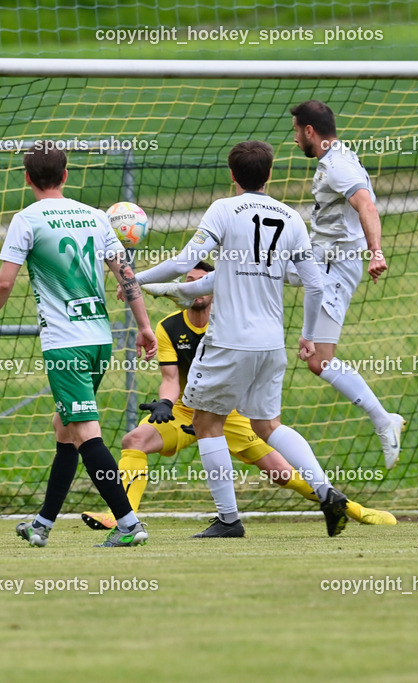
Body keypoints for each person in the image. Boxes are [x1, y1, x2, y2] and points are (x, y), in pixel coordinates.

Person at [133, 140, 353, 537]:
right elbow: (315, 285)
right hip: (271, 345)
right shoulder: (291, 217)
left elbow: (186, 262)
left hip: (229, 342)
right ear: (269, 175)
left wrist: (135, 278)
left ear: (232, 175)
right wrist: (308, 336)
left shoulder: (223, 209)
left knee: (205, 422)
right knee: (267, 424)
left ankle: (229, 520)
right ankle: (326, 491)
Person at [80, 262, 397, 535]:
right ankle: (122, 517)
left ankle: (354, 510)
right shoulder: (168, 327)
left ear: (214, 288)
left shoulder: (231, 323)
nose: (194, 288)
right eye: (188, 282)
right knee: (134, 440)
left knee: (281, 473)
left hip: (229, 413)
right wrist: (165, 403)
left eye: (200, 281)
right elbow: (170, 379)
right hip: (185, 411)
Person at [0, 141, 157, 548]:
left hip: (66, 345)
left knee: (85, 432)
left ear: (27, 178)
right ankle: (41, 525)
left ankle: (128, 523)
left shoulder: (27, 219)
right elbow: (125, 273)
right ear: (66, 175)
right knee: (65, 428)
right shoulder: (95, 216)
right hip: (99, 340)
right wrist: (143, 326)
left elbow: (3, 283)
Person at [289, 100, 405, 469]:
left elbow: (366, 206)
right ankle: (190, 288)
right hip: (319, 259)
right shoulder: (334, 158)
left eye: (296, 131)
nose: (294, 139)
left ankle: (383, 419)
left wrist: (376, 252)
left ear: (310, 131)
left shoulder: (338, 166)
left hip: (334, 268)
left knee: (319, 361)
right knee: (260, 268)